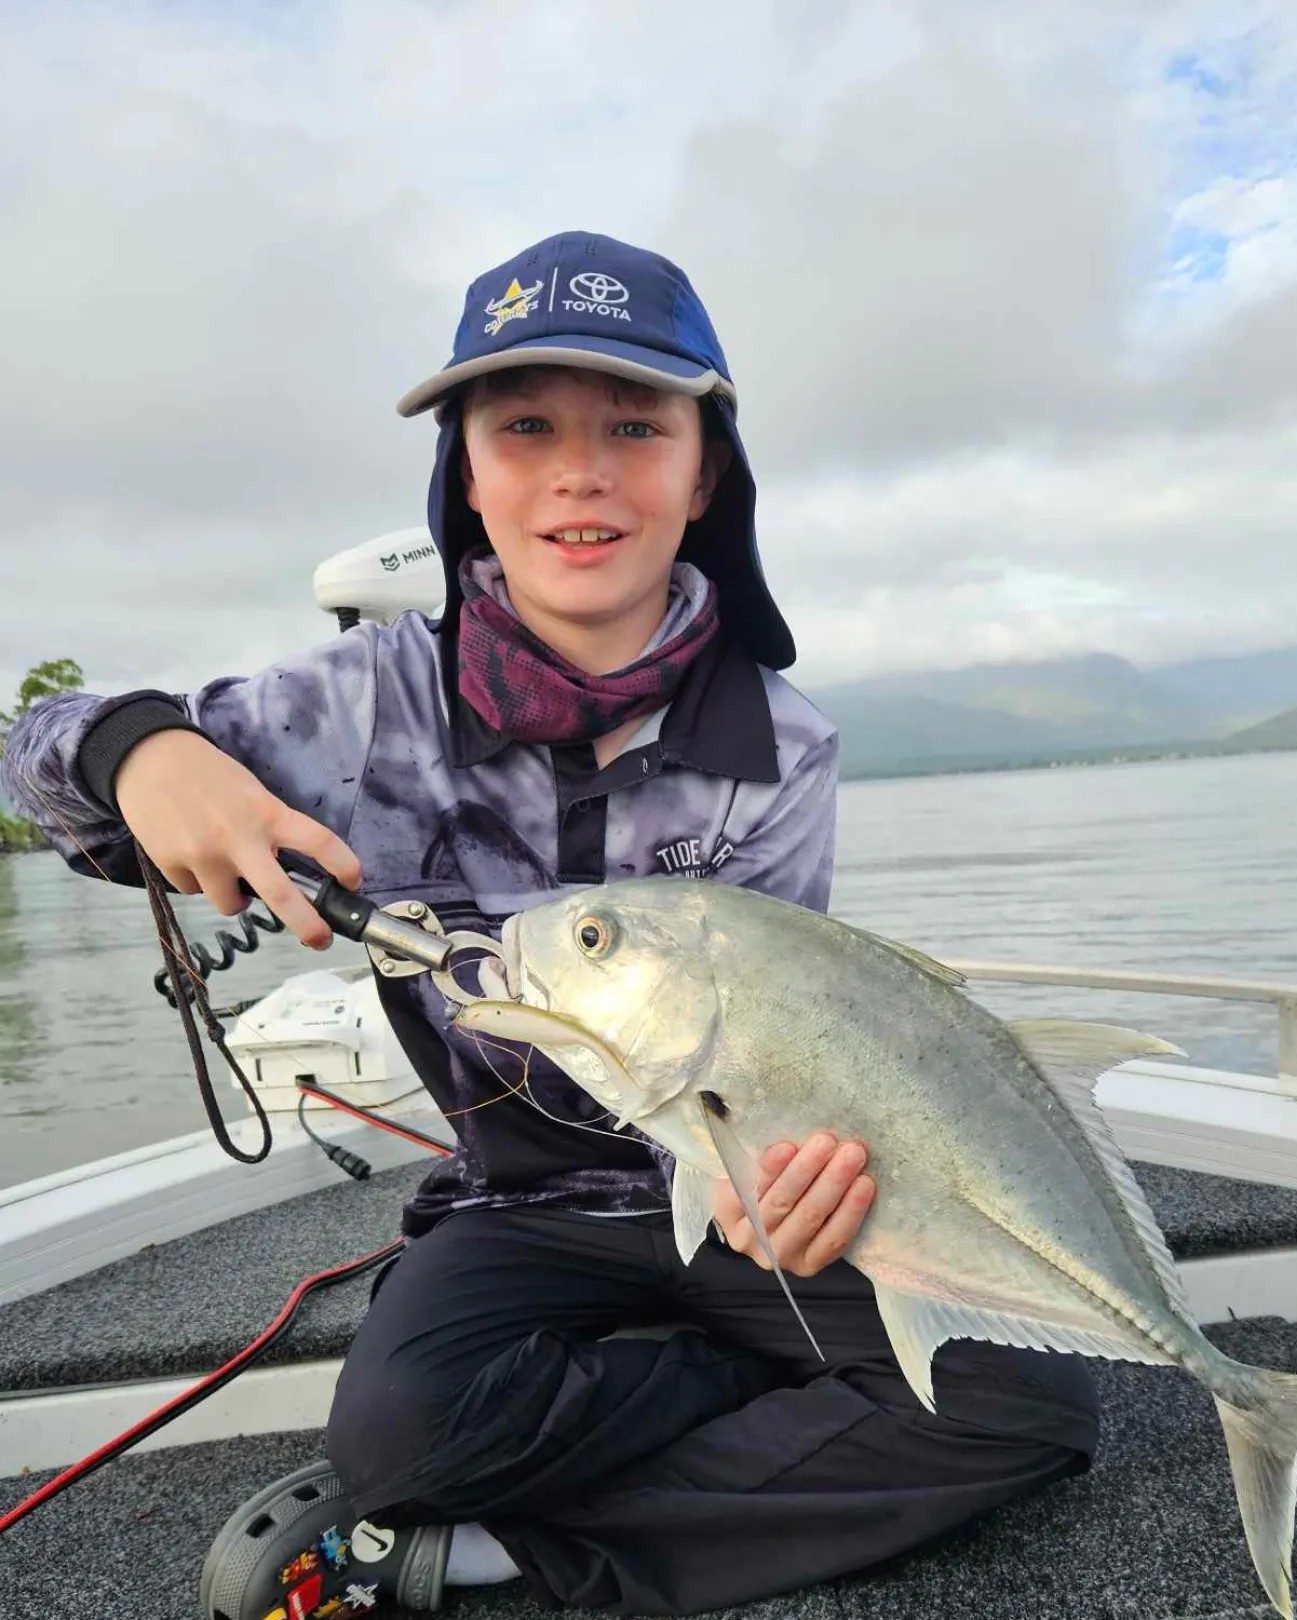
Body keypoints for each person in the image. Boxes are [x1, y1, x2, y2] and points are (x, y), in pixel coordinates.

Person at [0, 232, 1100, 1619]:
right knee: (401, 1438)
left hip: (731, 1191)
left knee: (1027, 1407)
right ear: (467, 474)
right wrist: (141, 754)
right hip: (524, 1205)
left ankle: (509, 1556)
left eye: (636, 426)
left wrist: (800, 1177)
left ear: (704, 475)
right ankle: (738, 1388)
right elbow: (35, 752)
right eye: (524, 428)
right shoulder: (362, 702)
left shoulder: (782, 743)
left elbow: (779, 1029)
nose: (581, 472)